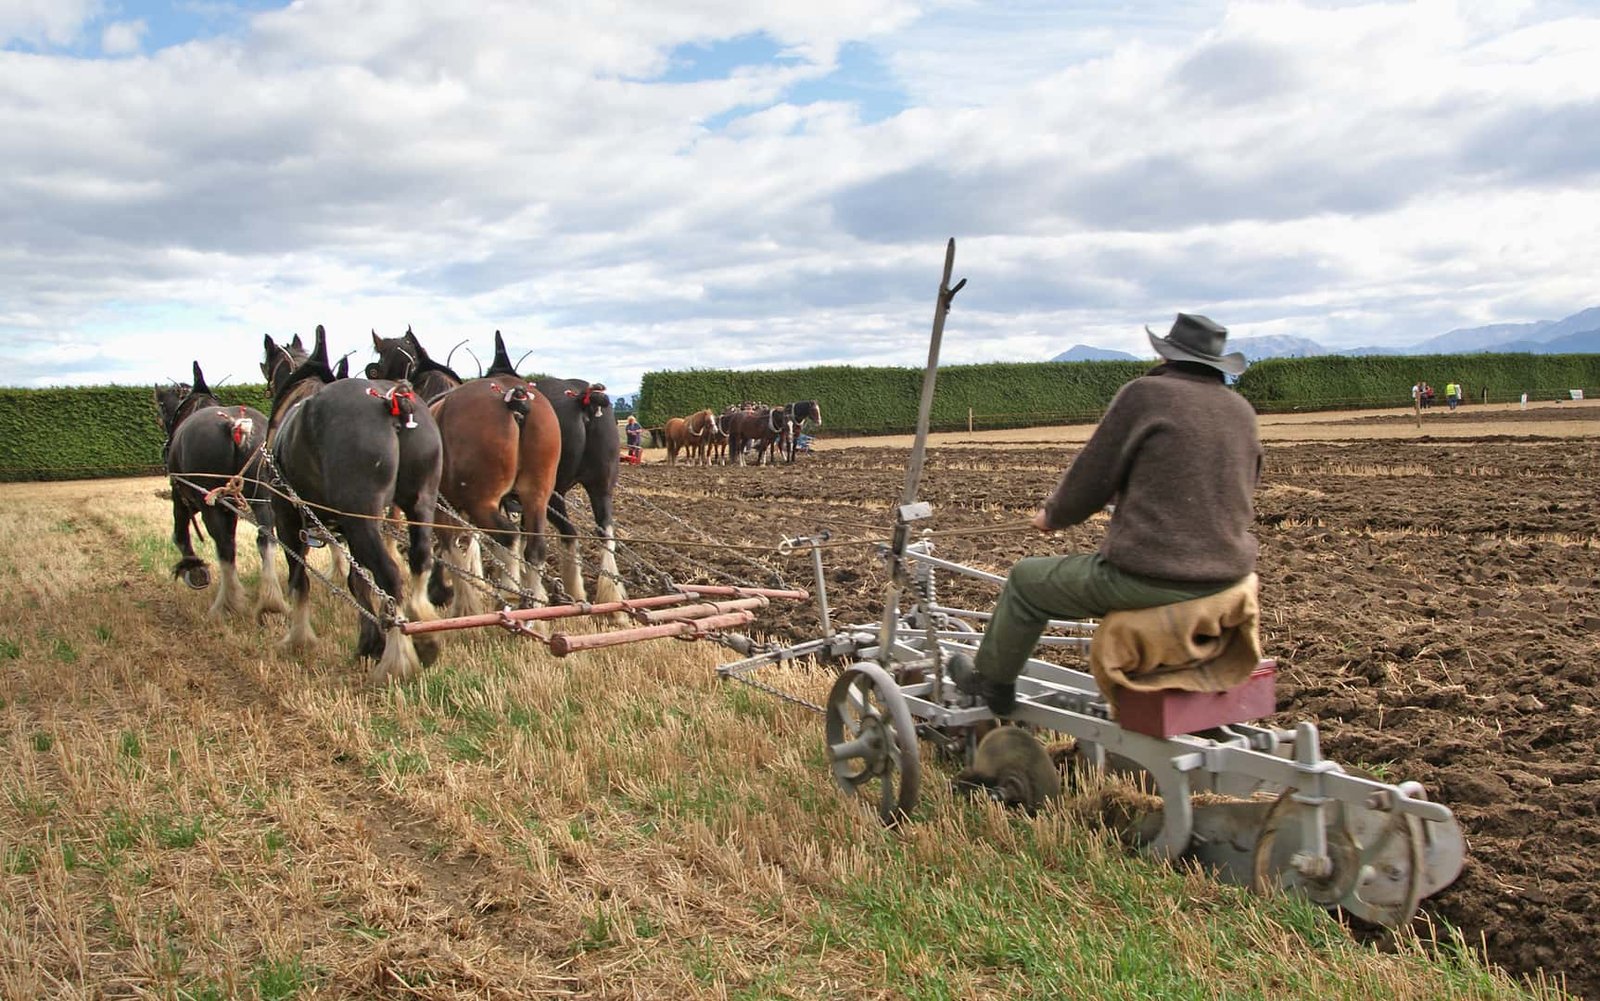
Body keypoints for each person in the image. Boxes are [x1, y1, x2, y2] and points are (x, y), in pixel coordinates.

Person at [949, 313, 1263, 714]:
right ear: (1215, 365)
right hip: (1228, 578)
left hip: (1155, 575)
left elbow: (1093, 476)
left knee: (1026, 582)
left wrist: (1054, 516)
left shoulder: (1145, 394)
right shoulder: (1241, 410)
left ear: (1166, 354)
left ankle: (992, 684)